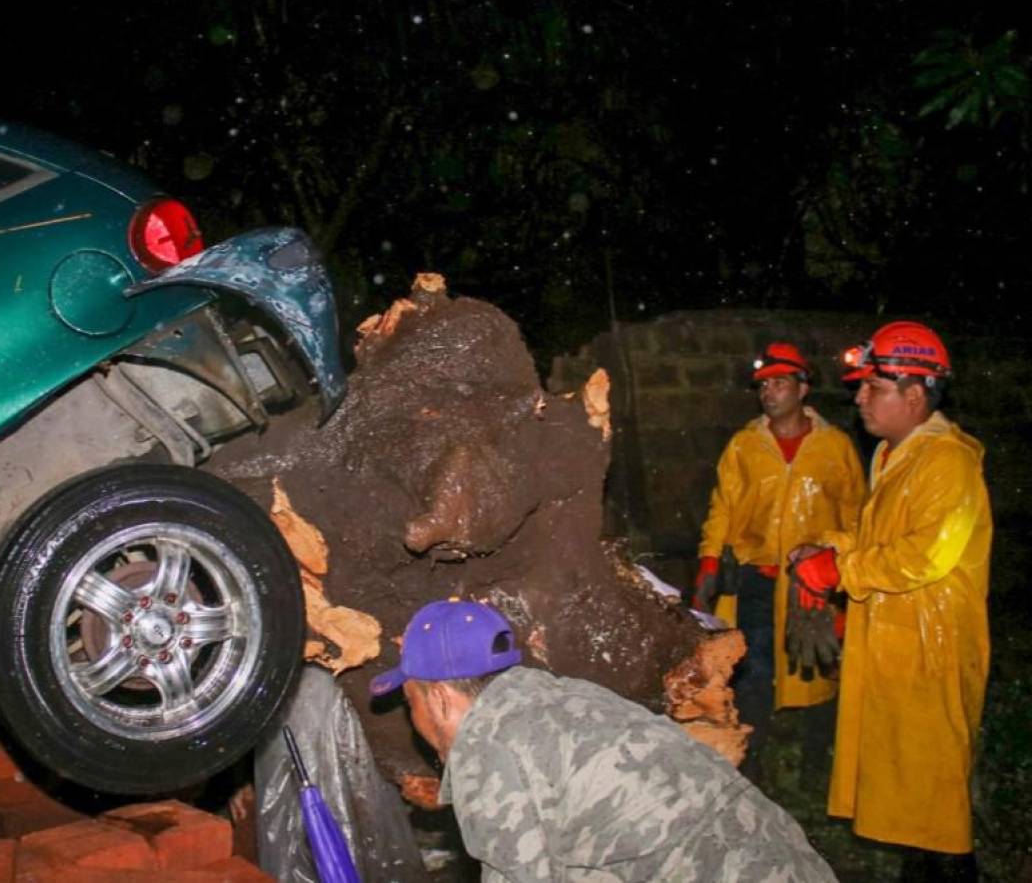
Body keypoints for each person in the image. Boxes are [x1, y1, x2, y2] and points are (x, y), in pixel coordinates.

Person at [370, 598, 837, 882]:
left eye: (409, 700)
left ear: (440, 697)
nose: (411, 717)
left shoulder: (487, 751)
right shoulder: (559, 698)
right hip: (784, 860)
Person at [788, 321, 991, 881]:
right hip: (896, 642)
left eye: (872, 387)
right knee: (909, 793)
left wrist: (840, 568)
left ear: (915, 393)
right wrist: (827, 547)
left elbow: (927, 554)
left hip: (933, 648)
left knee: (935, 798)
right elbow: (881, 541)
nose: (859, 398)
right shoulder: (891, 455)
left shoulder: (948, 461)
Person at [693, 342, 865, 777]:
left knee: (817, 664)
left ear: (803, 389)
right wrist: (710, 560)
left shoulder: (835, 446)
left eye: (780, 382)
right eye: (764, 384)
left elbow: (857, 514)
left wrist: (840, 558)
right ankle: (752, 760)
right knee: (753, 667)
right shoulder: (745, 444)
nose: (769, 392)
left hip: (814, 579)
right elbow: (724, 507)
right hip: (757, 575)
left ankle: (815, 759)